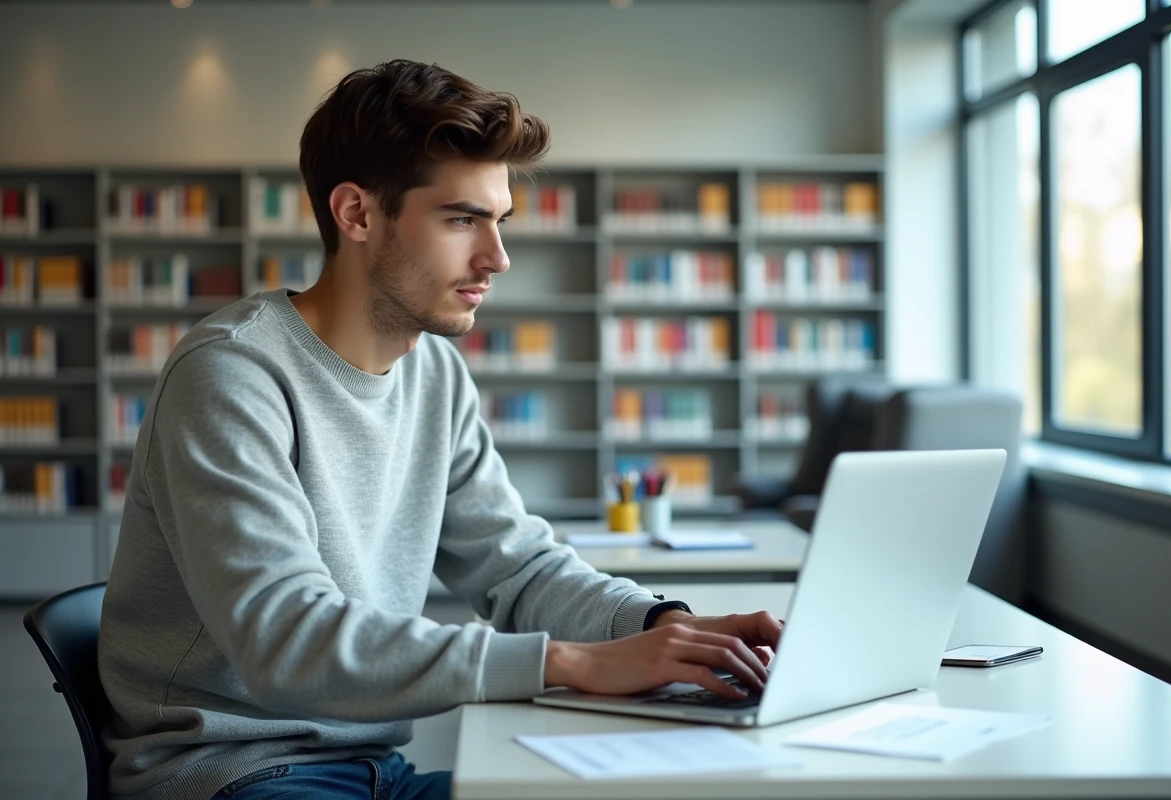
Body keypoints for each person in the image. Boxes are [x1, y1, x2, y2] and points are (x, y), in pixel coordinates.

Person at [98, 59, 782, 800]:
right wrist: (570, 663)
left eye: (499, 222)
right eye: (462, 220)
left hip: (375, 768)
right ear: (356, 214)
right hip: (241, 772)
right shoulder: (232, 374)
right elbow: (283, 639)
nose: (498, 258)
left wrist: (660, 626)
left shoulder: (435, 374)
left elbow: (515, 567)